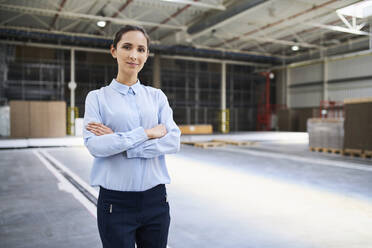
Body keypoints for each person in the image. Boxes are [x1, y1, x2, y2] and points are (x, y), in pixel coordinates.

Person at [83, 25, 181, 248]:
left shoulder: (156, 97)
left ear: (146, 55)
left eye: (141, 49)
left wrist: (121, 143)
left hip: (156, 201)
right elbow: (96, 146)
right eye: (127, 47)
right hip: (115, 204)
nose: (134, 55)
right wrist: (147, 133)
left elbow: (173, 140)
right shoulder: (97, 98)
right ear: (114, 51)